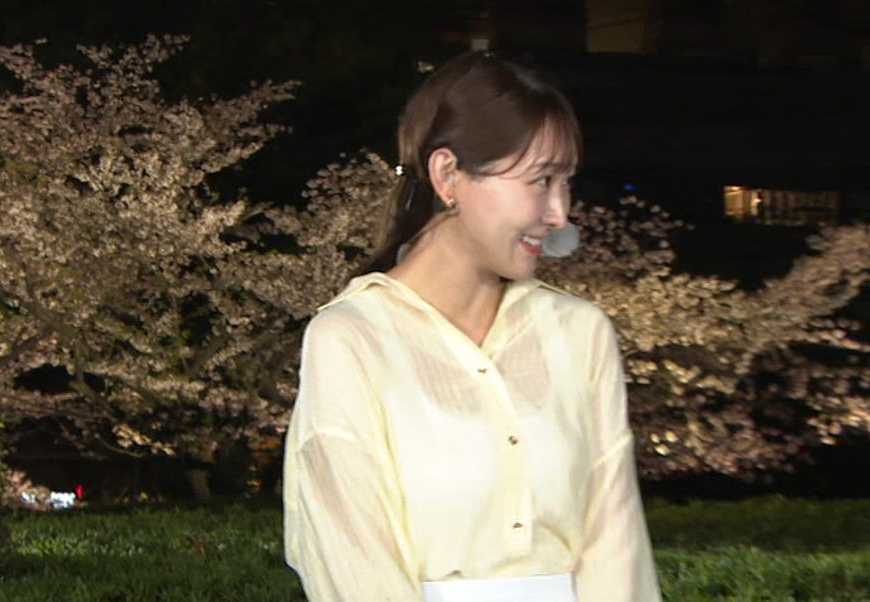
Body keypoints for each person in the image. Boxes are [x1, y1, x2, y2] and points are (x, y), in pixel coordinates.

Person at [282, 52, 662, 602]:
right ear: (448, 175)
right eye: (541, 180)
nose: (559, 214)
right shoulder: (352, 337)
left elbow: (617, 547)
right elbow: (352, 560)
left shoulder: (581, 333)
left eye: (566, 183)